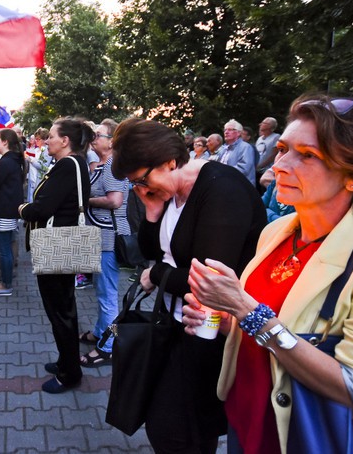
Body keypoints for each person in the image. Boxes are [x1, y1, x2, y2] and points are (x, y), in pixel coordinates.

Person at [182, 95, 353, 454]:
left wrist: (247, 311)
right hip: (244, 423)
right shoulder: (277, 231)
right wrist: (223, 319)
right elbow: (278, 325)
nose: (280, 165)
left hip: (303, 437)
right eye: (282, 149)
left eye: (307, 155)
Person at [110, 118, 266, 452]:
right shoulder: (170, 190)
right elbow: (152, 250)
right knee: (176, 428)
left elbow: (209, 281)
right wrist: (152, 211)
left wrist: (156, 276)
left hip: (209, 331)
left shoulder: (221, 190)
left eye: (142, 180)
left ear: (169, 161)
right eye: (134, 184)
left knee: (179, 432)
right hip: (175, 322)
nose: (141, 190)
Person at [19, 118, 94, 394]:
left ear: (65, 141)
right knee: (64, 308)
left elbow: (43, 207)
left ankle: (69, 373)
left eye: (51, 136)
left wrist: (22, 209)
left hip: (57, 244)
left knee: (60, 312)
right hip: (63, 242)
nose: (46, 140)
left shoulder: (66, 165)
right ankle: (68, 360)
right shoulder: (75, 164)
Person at [79, 119, 130, 367]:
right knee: (102, 291)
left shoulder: (112, 167)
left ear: (112, 142)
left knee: (108, 295)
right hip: (102, 237)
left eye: (99, 135)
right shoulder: (105, 165)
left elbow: (115, 201)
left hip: (109, 237)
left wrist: (87, 200)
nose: (94, 138)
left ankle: (110, 346)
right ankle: (101, 333)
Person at [0, 128, 24, 296]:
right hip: (8, 211)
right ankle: (5, 280)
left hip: (3, 211)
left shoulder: (6, 162)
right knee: (6, 249)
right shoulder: (13, 160)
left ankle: (5, 284)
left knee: (4, 251)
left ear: (5, 142)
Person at [220, 119, 257, 183]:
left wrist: (223, 172)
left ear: (239, 133)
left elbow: (244, 169)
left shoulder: (246, 147)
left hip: (240, 186)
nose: (226, 132)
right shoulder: (223, 148)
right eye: (225, 130)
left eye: (230, 130)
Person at [25, 127, 51, 202]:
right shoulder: (36, 150)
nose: (36, 141)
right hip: (32, 179)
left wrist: (31, 160)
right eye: (36, 139)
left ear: (44, 139)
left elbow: (44, 166)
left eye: (38, 139)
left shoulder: (46, 150)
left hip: (39, 180)